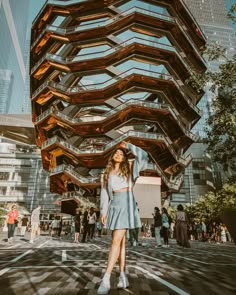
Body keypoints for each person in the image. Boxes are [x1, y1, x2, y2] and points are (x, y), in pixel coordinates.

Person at [97, 141, 148, 294]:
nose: (118, 155)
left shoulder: (131, 167)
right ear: (112, 157)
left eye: (121, 154)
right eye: (116, 153)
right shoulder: (106, 174)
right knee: (121, 243)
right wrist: (103, 212)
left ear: (124, 157)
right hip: (115, 205)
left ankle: (106, 278)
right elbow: (105, 194)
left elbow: (144, 156)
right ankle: (123, 275)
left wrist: (130, 147)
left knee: (115, 242)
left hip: (127, 201)